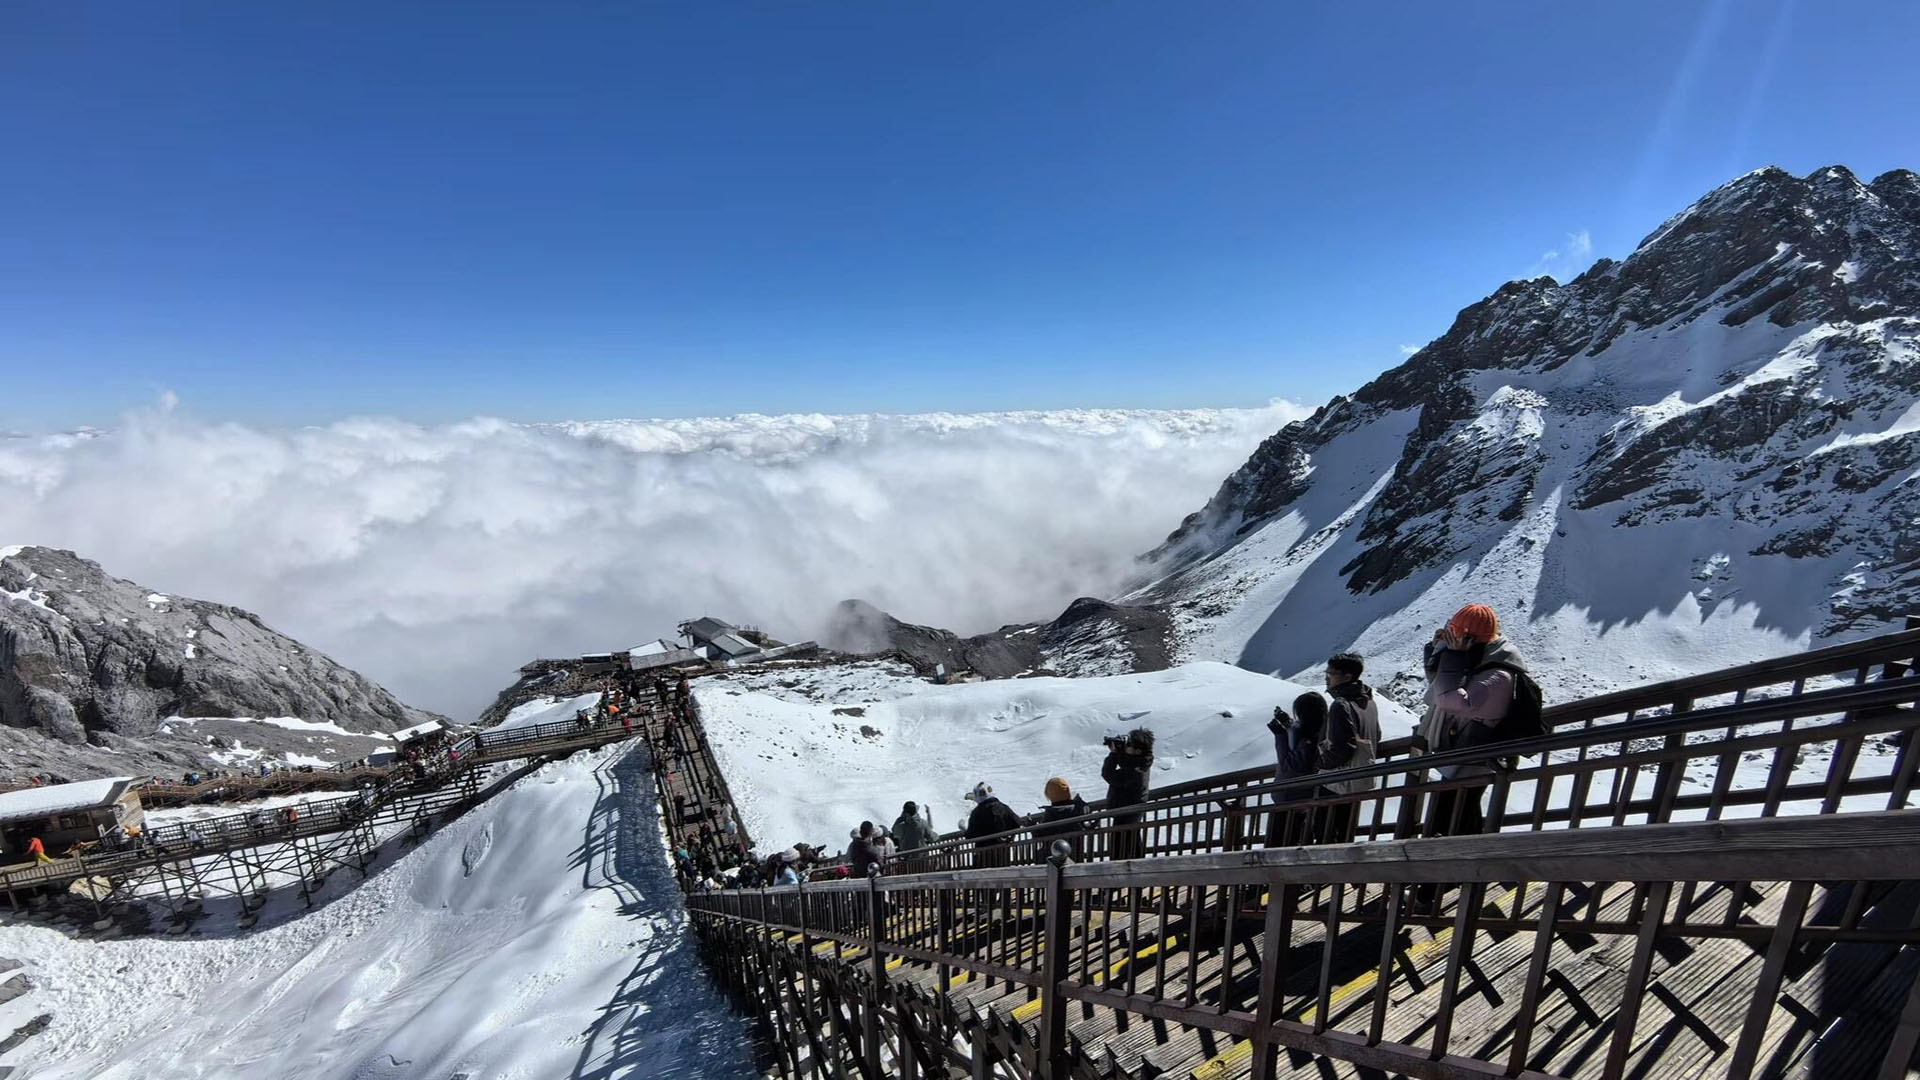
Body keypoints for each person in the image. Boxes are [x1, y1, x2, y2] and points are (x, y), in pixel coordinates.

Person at [1420, 604, 1532, 840]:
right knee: (1458, 819)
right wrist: (1438, 650)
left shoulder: (1498, 675)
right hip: (1462, 756)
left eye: (1455, 638)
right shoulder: (1480, 659)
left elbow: (1447, 700)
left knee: (1452, 821)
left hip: (1473, 758)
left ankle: (1465, 871)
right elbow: (1437, 688)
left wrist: (1452, 655)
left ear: (1469, 639)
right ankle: (1468, 872)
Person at [1318, 652, 1384, 843]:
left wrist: (1320, 762)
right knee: (1344, 830)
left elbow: (1343, 748)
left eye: (1331, 673)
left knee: (1326, 833)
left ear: (1347, 677)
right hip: (1360, 776)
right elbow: (1376, 736)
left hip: (1338, 781)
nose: (1327, 677)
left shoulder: (1341, 705)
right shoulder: (1368, 701)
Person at [1267, 693, 1326, 846]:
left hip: (1291, 798)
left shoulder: (1308, 741)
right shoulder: (1317, 733)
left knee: (1279, 847)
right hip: (1303, 799)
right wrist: (1288, 725)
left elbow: (1290, 767)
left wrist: (1280, 735)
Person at [1101, 728, 1154, 861]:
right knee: (1131, 844)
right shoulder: (1141, 761)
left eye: (1129, 744)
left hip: (1126, 812)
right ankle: (1136, 873)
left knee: (1122, 848)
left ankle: (1125, 876)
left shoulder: (1135, 770)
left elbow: (1109, 775)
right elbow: (1126, 762)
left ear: (1138, 751)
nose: (1127, 746)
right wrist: (1119, 751)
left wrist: (1113, 754)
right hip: (1130, 811)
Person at [1029, 777, 1089, 861]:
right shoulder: (1078, 808)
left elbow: (1039, 834)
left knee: (1039, 854)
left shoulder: (1051, 814)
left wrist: (1031, 826)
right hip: (1076, 855)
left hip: (1054, 858)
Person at [964, 782, 1021, 868]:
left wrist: (965, 831)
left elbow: (970, 835)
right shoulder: (1003, 807)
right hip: (1003, 855)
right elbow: (1017, 823)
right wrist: (1008, 836)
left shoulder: (977, 813)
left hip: (983, 857)